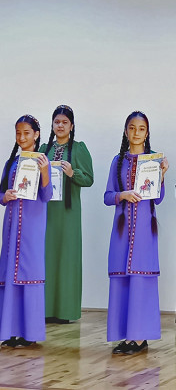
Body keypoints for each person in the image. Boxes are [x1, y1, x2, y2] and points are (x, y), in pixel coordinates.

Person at [104, 111, 169, 355]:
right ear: (125, 131)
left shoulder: (153, 161)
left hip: (144, 231)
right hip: (122, 232)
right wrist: (122, 195)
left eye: (141, 129)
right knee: (122, 280)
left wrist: (162, 175)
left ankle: (139, 338)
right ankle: (126, 336)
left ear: (147, 132)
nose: (136, 133)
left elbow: (158, 199)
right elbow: (107, 196)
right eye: (132, 128)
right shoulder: (117, 161)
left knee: (141, 280)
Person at [0, 115, 52, 348]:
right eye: (18, 133)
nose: (21, 137)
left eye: (26, 133)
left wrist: (45, 172)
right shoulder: (11, 163)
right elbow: (1, 195)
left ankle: (29, 333)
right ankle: (10, 332)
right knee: (9, 273)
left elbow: (47, 196)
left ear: (36, 134)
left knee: (29, 274)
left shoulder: (43, 161)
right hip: (11, 227)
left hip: (32, 227)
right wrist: (5, 196)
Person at [40, 105, 94, 324]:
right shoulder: (44, 149)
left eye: (64, 122)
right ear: (52, 125)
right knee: (46, 257)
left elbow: (89, 179)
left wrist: (73, 173)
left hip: (68, 213)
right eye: (57, 122)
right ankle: (44, 309)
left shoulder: (79, 149)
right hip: (46, 213)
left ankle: (65, 311)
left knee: (66, 258)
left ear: (72, 126)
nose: (60, 126)